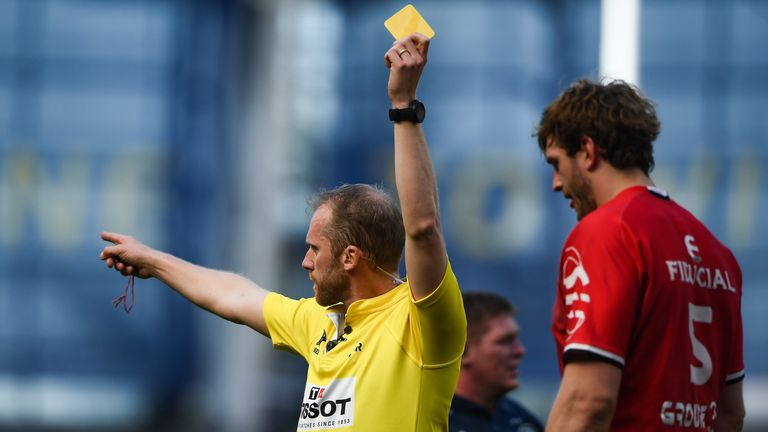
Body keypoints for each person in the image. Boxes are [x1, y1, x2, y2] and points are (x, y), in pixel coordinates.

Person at [99, 33, 466, 431]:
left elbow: (424, 228)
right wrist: (152, 260)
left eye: (314, 249)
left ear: (350, 257)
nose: (304, 261)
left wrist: (402, 107)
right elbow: (233, 294)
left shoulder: (419, 322)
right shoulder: (321, 319)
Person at [535, 79, 745, 431]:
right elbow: (730, 414)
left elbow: (588, 401)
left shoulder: (606, 232)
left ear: (588, 151)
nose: (556, 183)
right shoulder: (718, 253)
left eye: (557, 163)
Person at [449, 292, 543, 432]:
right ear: (462, 351)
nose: (520, 351)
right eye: (505, 341)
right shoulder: (435, 423)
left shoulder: (523, 421)